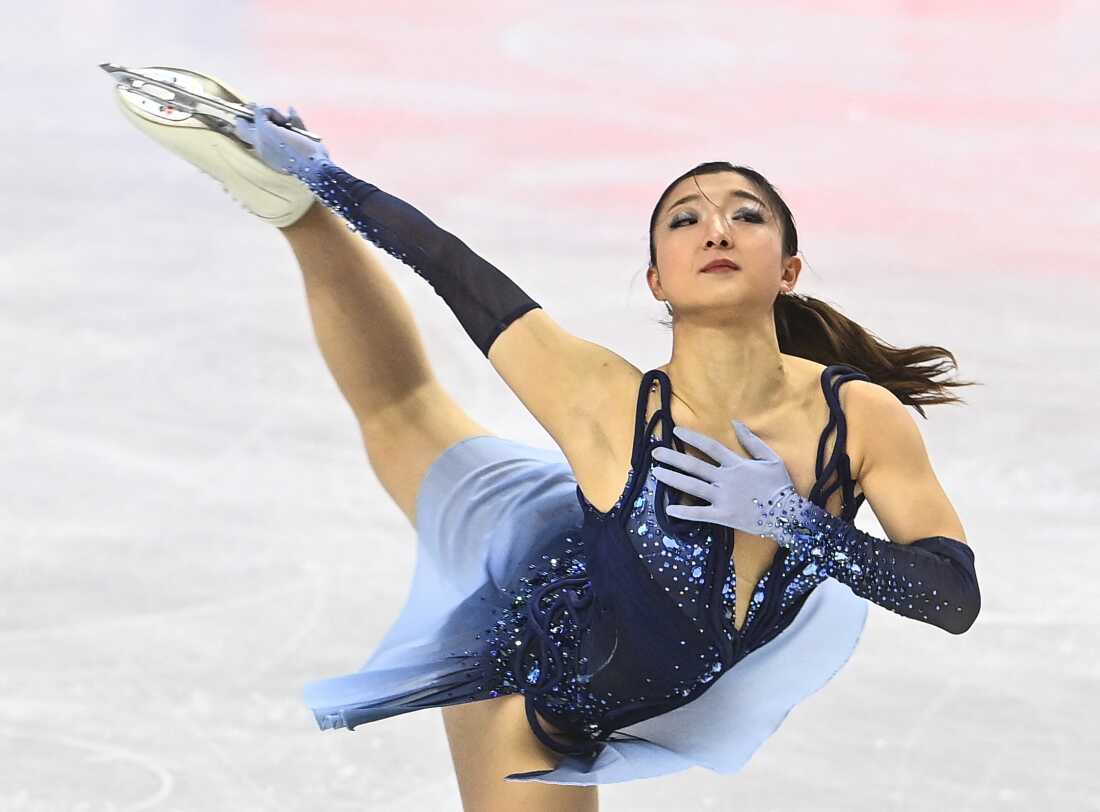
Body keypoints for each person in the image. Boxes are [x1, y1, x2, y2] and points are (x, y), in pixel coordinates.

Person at [113, 73, 980, 811]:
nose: (716, 230)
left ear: (788, 268)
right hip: (536, 688)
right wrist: (324, 177)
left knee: (407, 414)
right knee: (401, 410)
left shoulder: (857, 418)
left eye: (745, 215)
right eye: (685, 219)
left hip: (620, 601)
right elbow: (454, 269)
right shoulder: (602, 399)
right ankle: (299, 215)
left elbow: (953, 599)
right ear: (656, 280)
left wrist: (798, 521)